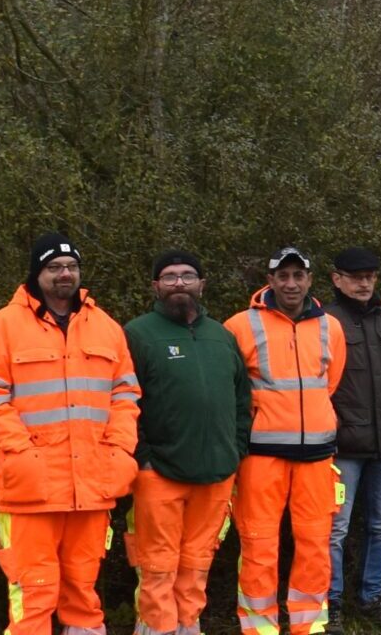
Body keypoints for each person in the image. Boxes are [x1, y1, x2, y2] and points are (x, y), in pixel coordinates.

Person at [0, 233, 140, 635]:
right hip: (31, 489)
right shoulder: (3, 326)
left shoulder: (106, 327)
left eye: (71, 267)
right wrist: (23, 451)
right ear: (37, 273)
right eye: (54, 267)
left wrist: (119, 449)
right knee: (33, 595)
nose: (65, 274)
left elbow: (126, 394)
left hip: (92, 485)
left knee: (83, 593)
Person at [123, 251, 249, 635]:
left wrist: (237, 447)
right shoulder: (137, 334)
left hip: (216, 472)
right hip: (158, 472)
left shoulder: (222, 336)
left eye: (188, 275)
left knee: (197, 561)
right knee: (157, 563)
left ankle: (188, 625)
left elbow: (243, 397)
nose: (179, 282)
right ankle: (156, 629)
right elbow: (123, 398)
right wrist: (142, 457)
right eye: (170, 276)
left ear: (202, 284)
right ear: (155, 287)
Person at [225, 247, 347, 635]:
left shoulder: (331, 327)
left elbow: (330, 382)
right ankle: (259, 629)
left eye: (298, 276)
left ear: (310, 280)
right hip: (260, 457)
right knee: (258, 546)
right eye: (284, 276)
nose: (291, 283)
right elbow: (232, 389)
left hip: (316, 456)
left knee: (314, 546)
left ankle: (307, 628)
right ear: (271, 279)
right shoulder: (239, 326)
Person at [324, 247, 381, 628]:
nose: (364, 283)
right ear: (337, 279)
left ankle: (372, 598)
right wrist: (332, 429)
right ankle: (332, 602)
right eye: (356, 275)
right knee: (335, 530)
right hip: (344, 446)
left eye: (370, 276)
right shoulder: (326, 322)